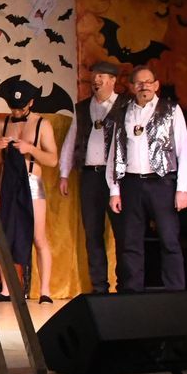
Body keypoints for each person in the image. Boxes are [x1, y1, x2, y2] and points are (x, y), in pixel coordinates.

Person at [106, 66, 187, 292]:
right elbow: (115, 153)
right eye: (139, 82)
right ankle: (132, 292)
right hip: (131, 182)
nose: (144, 86)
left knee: (169, 239)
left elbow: (184, 151)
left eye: (148, 82)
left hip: (161, 182)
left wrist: (182, 188)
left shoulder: (171, 109)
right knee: (130, 242)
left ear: (156, 85)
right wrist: (114, 190)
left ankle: (175, 292)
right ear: (131, 86)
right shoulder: (123, 112)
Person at [0, 81, 61, 304]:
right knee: (4, 236)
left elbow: (52, 160)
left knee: (38, 237)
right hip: (8, 183)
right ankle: (6, 289)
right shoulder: (2, 123)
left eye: (20, 108)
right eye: (13, 108)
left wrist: (30, 148)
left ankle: (45, 291)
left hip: (31, 182)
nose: (16, 112)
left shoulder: (42, 124)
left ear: (31, 103)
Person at [58, 61, 121, 294]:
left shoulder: (124, 105)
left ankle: (126, 285)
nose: (96, 80)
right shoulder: (83, 108)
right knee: (93, 232)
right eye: (94, 76)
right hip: (90, 176)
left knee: (123, 232)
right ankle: (99, 286)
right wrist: (64, 173)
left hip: (117, 177)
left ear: (113, 80)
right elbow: (71, 140)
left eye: (102, 76)